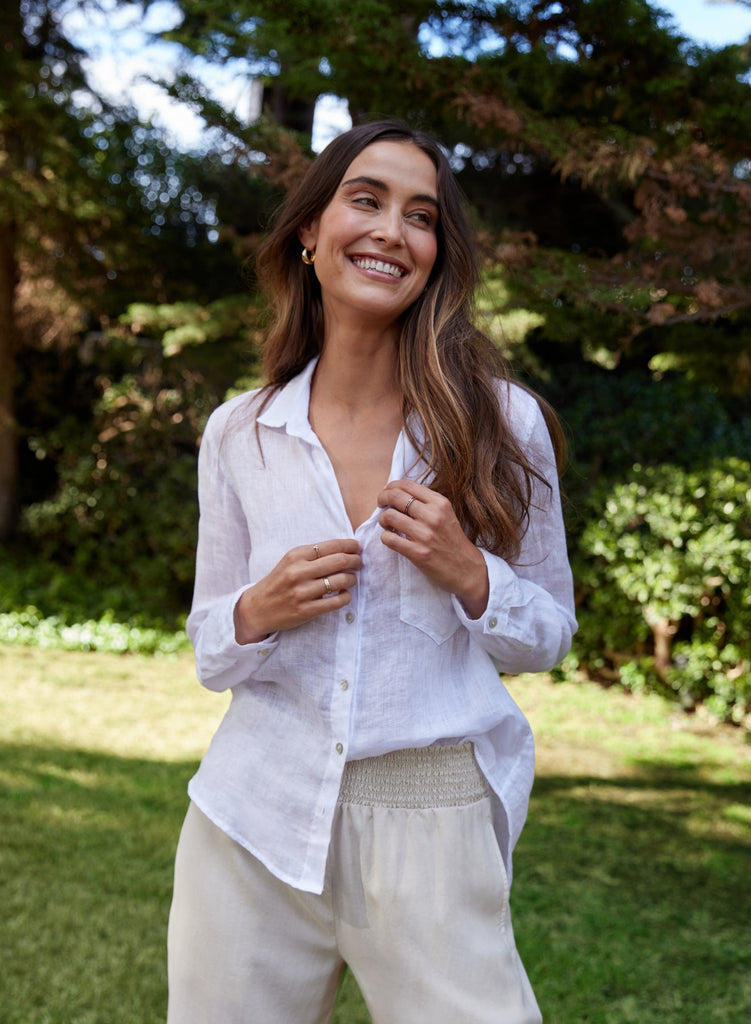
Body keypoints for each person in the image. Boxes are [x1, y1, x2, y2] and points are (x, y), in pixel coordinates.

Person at [167, 119, 577, 1024]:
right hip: (251, 816)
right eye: (366, 199)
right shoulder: (240, 431)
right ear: (310, 231)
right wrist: (257, 608)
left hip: (431, 823)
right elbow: (209, 646)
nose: (393, 229)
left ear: (438, 254)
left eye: (421, 215)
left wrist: (472, 575)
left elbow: (549, 630)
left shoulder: (501, 423)